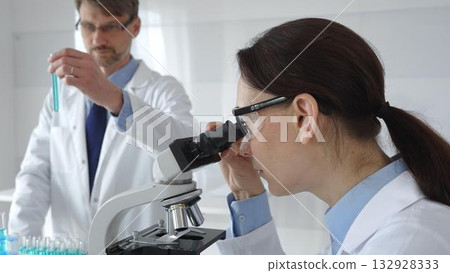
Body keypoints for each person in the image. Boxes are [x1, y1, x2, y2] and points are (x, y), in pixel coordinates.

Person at [212, 18, 450, 254]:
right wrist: (246, 195)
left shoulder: (405, 245)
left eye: (247, 124)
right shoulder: (366, 233)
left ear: (304, 117)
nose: (242, 148)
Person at [9, 0, 193, 244]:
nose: (97, 39)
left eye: (110, 27)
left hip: (136, 249)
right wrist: (17, 244)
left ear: (134, 27)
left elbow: (185, 152)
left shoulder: (163, 90)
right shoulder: (61, 94)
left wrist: (116, 100)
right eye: (88, 26)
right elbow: (36, 172)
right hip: (72, 250)